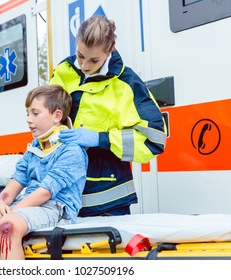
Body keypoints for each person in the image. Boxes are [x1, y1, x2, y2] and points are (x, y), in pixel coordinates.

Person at [0, 84, 88, 260]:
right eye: (28, 113)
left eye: (35, 113)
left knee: (7, 227)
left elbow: (45, 193)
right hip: (23, 205)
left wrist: (9, 214)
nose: (29, 119)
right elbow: (16, 181)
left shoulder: (72, 151)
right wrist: (1, 204)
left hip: (56, 208)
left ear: (57, 115)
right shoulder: (35, 147)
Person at [49, 15, 167, 217]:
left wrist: (100, 139)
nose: (85, 65)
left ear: (110, 50)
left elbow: (154, 139)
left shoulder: (127, 84)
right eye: (80, 55)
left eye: (94, 60)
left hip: (108, 201)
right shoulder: (63, 71)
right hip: (63, 196)